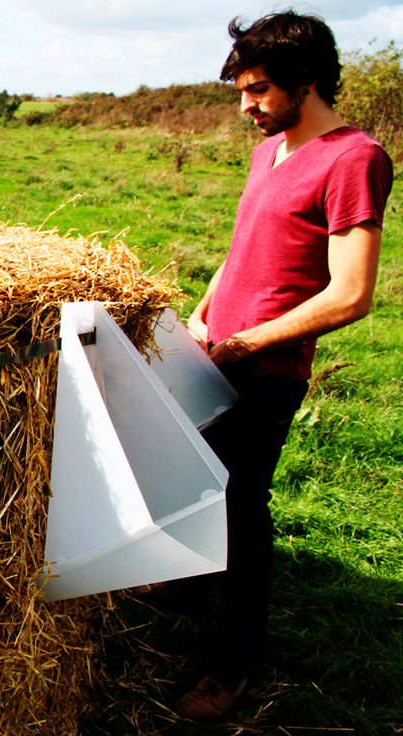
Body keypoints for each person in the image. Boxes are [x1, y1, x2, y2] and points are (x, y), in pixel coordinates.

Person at [137, 10, 394, 721]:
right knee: (192, 480)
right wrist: (206, 309)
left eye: (257, 91)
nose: (245, 106)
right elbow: (246, 240)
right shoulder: (268, 151)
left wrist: (249, 344)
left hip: (268, 368)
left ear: (306, 81)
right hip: (218, 348)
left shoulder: (354, 158)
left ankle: (233, 665)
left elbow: (352, 293)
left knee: (241, 508)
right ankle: (187, 586)